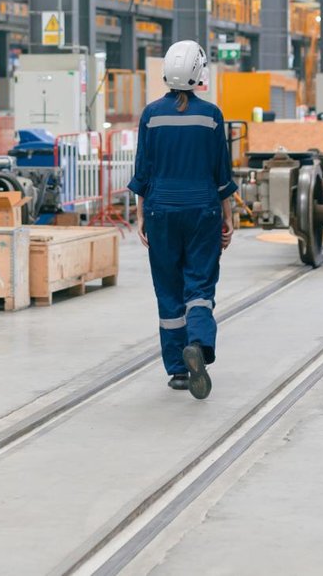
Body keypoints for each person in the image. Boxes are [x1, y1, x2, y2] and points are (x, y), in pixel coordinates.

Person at [127, 40, 237, 399]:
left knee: (169, 290)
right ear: (200, 73)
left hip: (161, 210)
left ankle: (177, 370)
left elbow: (143, 170)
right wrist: (228, 217)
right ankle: (199, 344)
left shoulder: (151, 115)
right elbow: (221, 173)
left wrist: (141, 214)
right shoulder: (211, 116)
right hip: (202, 210)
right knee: (199, 287)